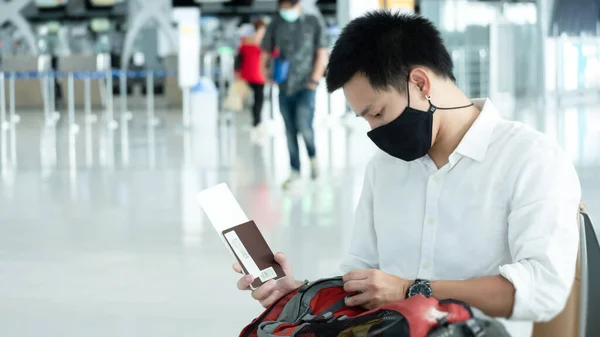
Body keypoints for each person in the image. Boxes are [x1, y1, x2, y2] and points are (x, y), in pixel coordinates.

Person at [234, 11, 581, 337]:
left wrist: (412, 290)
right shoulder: (384, 169)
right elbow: (364, 280)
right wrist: (304, 296)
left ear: (420, 83)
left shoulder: (529, 159)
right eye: (365, 120)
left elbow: (544, 289)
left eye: (379, 113)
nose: (375, 131)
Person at [260, 0, 329, 188]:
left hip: (306, 85)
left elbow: (322, 52)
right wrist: (264, 71)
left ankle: (313, 158)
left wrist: (314, 80)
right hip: (284, 85)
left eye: (288, 6)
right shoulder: (277, 22)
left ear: (297, 4)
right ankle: (295, 170)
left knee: (304, 125)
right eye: (282, 7)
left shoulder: (313, 21)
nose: (285, 10)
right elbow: (266, 49)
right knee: (289, 130)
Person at [236, 19, 268, 139]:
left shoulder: (245, 41)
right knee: (257, 100)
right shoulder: (262, 43)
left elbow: (239, 57)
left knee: (255, 100)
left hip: (250, 74)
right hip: (257, 75)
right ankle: (257, 122)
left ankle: (256, 121)